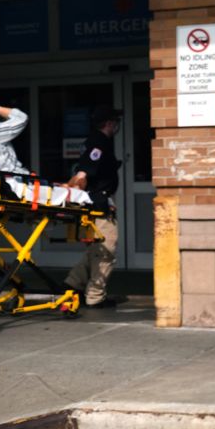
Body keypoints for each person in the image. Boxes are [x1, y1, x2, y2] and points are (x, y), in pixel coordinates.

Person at [64, 108, 125, 308]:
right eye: (115, 121)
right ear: (109, 123)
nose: (117, 126)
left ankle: (73, 284)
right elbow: (83, 172)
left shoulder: (95, 141)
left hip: (96, 202)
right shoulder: (98, 142)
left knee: (95, 250)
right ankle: (95, 296)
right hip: (99, 203)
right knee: (106, 249)